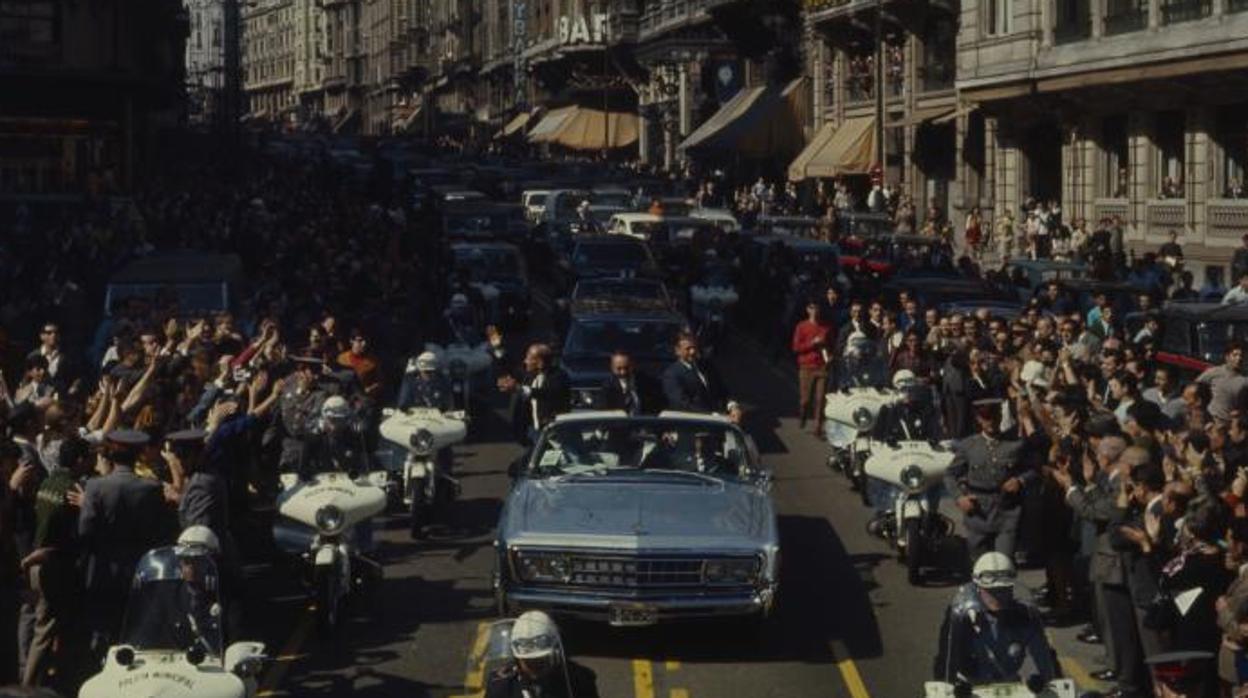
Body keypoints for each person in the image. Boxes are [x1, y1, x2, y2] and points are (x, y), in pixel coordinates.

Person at [79, 429, 175, 656]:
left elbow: (85, 530)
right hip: (139, 566)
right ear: (139, 454)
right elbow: (162, 532)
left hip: (104, 568)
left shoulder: (95, 486)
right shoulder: (151, 488)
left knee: (106, 629)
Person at [934, 552, 1058, 685]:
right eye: (991, 591)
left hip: (1010, 684)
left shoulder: (1026, 613)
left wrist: (1043, 681)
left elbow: (1043, 655)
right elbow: (946, 659)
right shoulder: (961, 615)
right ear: (978, 588)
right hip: (969, 686)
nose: (998, 596)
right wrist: (949, 687)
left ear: (1012, 588)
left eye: (1003, 590)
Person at [944, 399, 1034, 560]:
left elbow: (1033, 470)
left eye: (995, 416)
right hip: (978, 512)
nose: (991, 421)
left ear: (1000, 416)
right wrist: (959, 498)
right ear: (978, 419)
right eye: (986, 417)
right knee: (979, 565)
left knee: (1004, 562)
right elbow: (950, 474)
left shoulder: (1014, 445)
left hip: (1006, 511)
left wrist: (1020, 480)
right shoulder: (969, 446)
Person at [497, 343, 570, 446]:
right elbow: (510, 366)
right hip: (533, 433)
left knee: (572, 458)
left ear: (539, 363)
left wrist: (519, 389)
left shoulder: (559, 377)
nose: (525, 361)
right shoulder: (528, 375)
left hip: (555, 433)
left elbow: (546, 393)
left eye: (529, 358)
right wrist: (497, 348)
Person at [661, 333, 729, 414]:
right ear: (677, 351)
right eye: (688, 349)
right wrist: (710, 414)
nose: (692, 352)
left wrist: (733, 406)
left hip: (716, 419)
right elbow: (680, 403)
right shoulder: (671, 374)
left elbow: (722, 390)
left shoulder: (707, 367)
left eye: (694, 347)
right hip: (692, 421)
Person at [791, 299, 832, 435]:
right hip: (806, 367)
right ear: (807, 310)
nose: (814, 311)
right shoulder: (801, 326)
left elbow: (830, 346)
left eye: (816, 308)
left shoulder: (825, 327)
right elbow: (796, 347)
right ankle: (803, 414)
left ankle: (817, 427)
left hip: (821, 367)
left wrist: (830, 356)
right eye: (811, 308)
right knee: (805, 400)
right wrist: (812, 343)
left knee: (820, 399)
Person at [597, 351, 660, 416]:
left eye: (626, 368)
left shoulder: (647, 384)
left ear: (633, 365)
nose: (623, 372)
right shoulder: (607, 390)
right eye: (619, 369)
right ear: (612, 368)